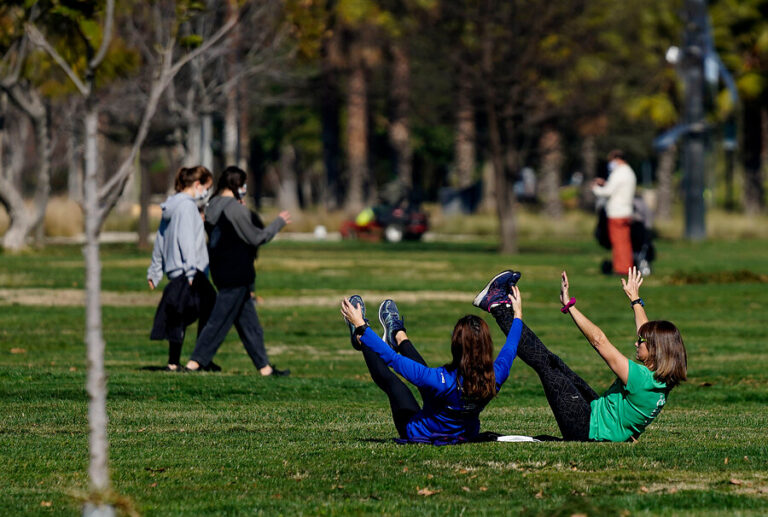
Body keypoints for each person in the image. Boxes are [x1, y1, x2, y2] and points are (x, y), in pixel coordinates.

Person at [478, 267, 687, 442]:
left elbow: (599, 341)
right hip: (599, 416)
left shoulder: (641, 380)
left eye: (641, 342)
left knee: (545, 364)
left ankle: (497, 306)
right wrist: (635, 300)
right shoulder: (662, 380)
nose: (636, 341)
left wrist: (570, 306)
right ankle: (499, 304)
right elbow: (646, 334)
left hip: (588, 430)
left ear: (656, 350)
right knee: (553, 362)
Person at [339, 270, 523, 444]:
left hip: (420, 432)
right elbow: (511, 347)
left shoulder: (440, 380)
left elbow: (392, 360)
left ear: (456, 345)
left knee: (395, 385)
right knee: (426, 377)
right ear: (487, 345)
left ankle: (360, 338)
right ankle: (398, 334)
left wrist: (361, 326)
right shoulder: (495, 375)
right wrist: (517, 315)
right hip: (464, 432)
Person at [185, 166, 291, 376]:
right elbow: (257, 237)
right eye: (243, 185)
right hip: (236, 273)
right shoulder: (234, 208)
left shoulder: (212, 205)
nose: (244, 189)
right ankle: (194, 363)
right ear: (235, 185)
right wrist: (278, 223)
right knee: (219, 321)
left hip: (221, 270)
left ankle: (265, 368)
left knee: (250, 325)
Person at [147, 165, 216, 371]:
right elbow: (186, 239)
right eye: (207, 187)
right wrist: (191, 271)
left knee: (180, 315)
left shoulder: (171, 206)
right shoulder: (187, 207)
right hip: (190, 271)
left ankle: (174, 362)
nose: (206, 193)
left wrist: (155, 271)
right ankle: (200, 359)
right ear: (197, 185)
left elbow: (160, 239)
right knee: (211, 307)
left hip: (176, 271)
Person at [592, 150, 637, 275]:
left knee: (618, 243)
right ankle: (626, 267)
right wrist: (605, 184)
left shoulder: (619, 173)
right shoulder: (629, 172)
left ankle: (621, 268)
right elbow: (616, 188)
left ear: (617, 159)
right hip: (626, 211)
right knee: (625, 242)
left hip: (617, 213)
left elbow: (607, 192)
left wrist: (595, 188)